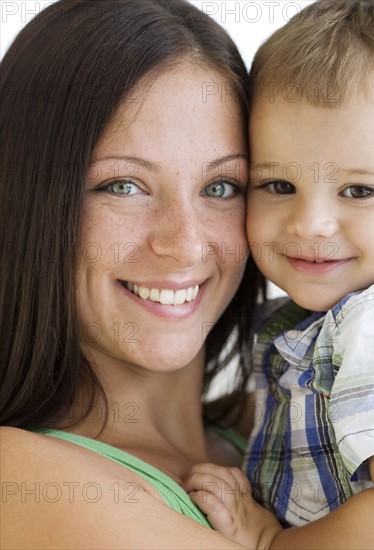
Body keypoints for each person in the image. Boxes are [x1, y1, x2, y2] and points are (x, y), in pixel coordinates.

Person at [0, 0, 267, 548]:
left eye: (220, 187)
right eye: (123, 185)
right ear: (29, 203)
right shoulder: (22, 476)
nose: (184, 244)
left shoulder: (268, 427)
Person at [183, 1, 374, 548]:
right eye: (278, 185)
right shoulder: (328, 314)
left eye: (359, 191)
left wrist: (269, 543)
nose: (309, 223)